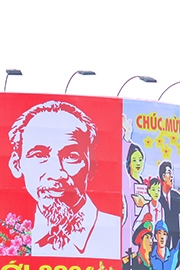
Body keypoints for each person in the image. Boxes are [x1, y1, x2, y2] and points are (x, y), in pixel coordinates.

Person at [7, 100, 121, 259]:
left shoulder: (119, 237)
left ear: (92, 166)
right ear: (16, 164)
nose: (56, 173)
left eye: (71, 156)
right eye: (39, 155)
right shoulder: (7, 242)